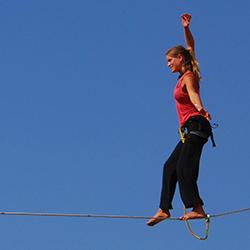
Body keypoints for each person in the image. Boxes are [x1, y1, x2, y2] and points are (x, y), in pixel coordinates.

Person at [147, 13, 212, 226]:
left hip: (197, 124)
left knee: (185, 167)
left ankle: (198, 208)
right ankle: (164, 209)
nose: (168, 65)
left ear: (179, 59)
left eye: (169, 60)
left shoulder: (189, 77)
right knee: (169, 167)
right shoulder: (185, 69)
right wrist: (186, 28)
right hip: (188, 130)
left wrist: (201, 108)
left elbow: (193, 94)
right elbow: (190, 46)